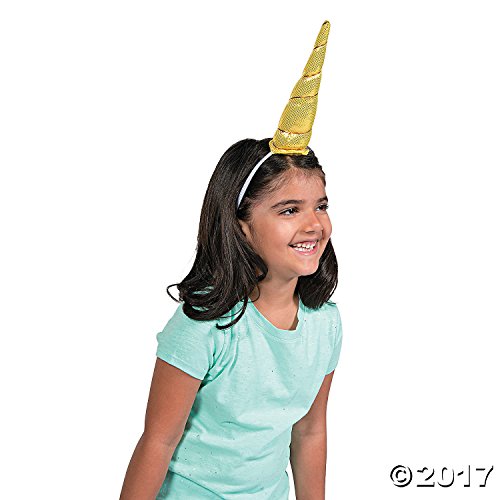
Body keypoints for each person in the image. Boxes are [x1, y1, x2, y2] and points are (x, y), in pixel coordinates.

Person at [119, 20, 343, 500]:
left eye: (321, 206)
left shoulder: (325, 324)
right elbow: (158, 442)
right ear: (241, 224)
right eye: (289, 210)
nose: (313, 224)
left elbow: (309, 432)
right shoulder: (205, 325)